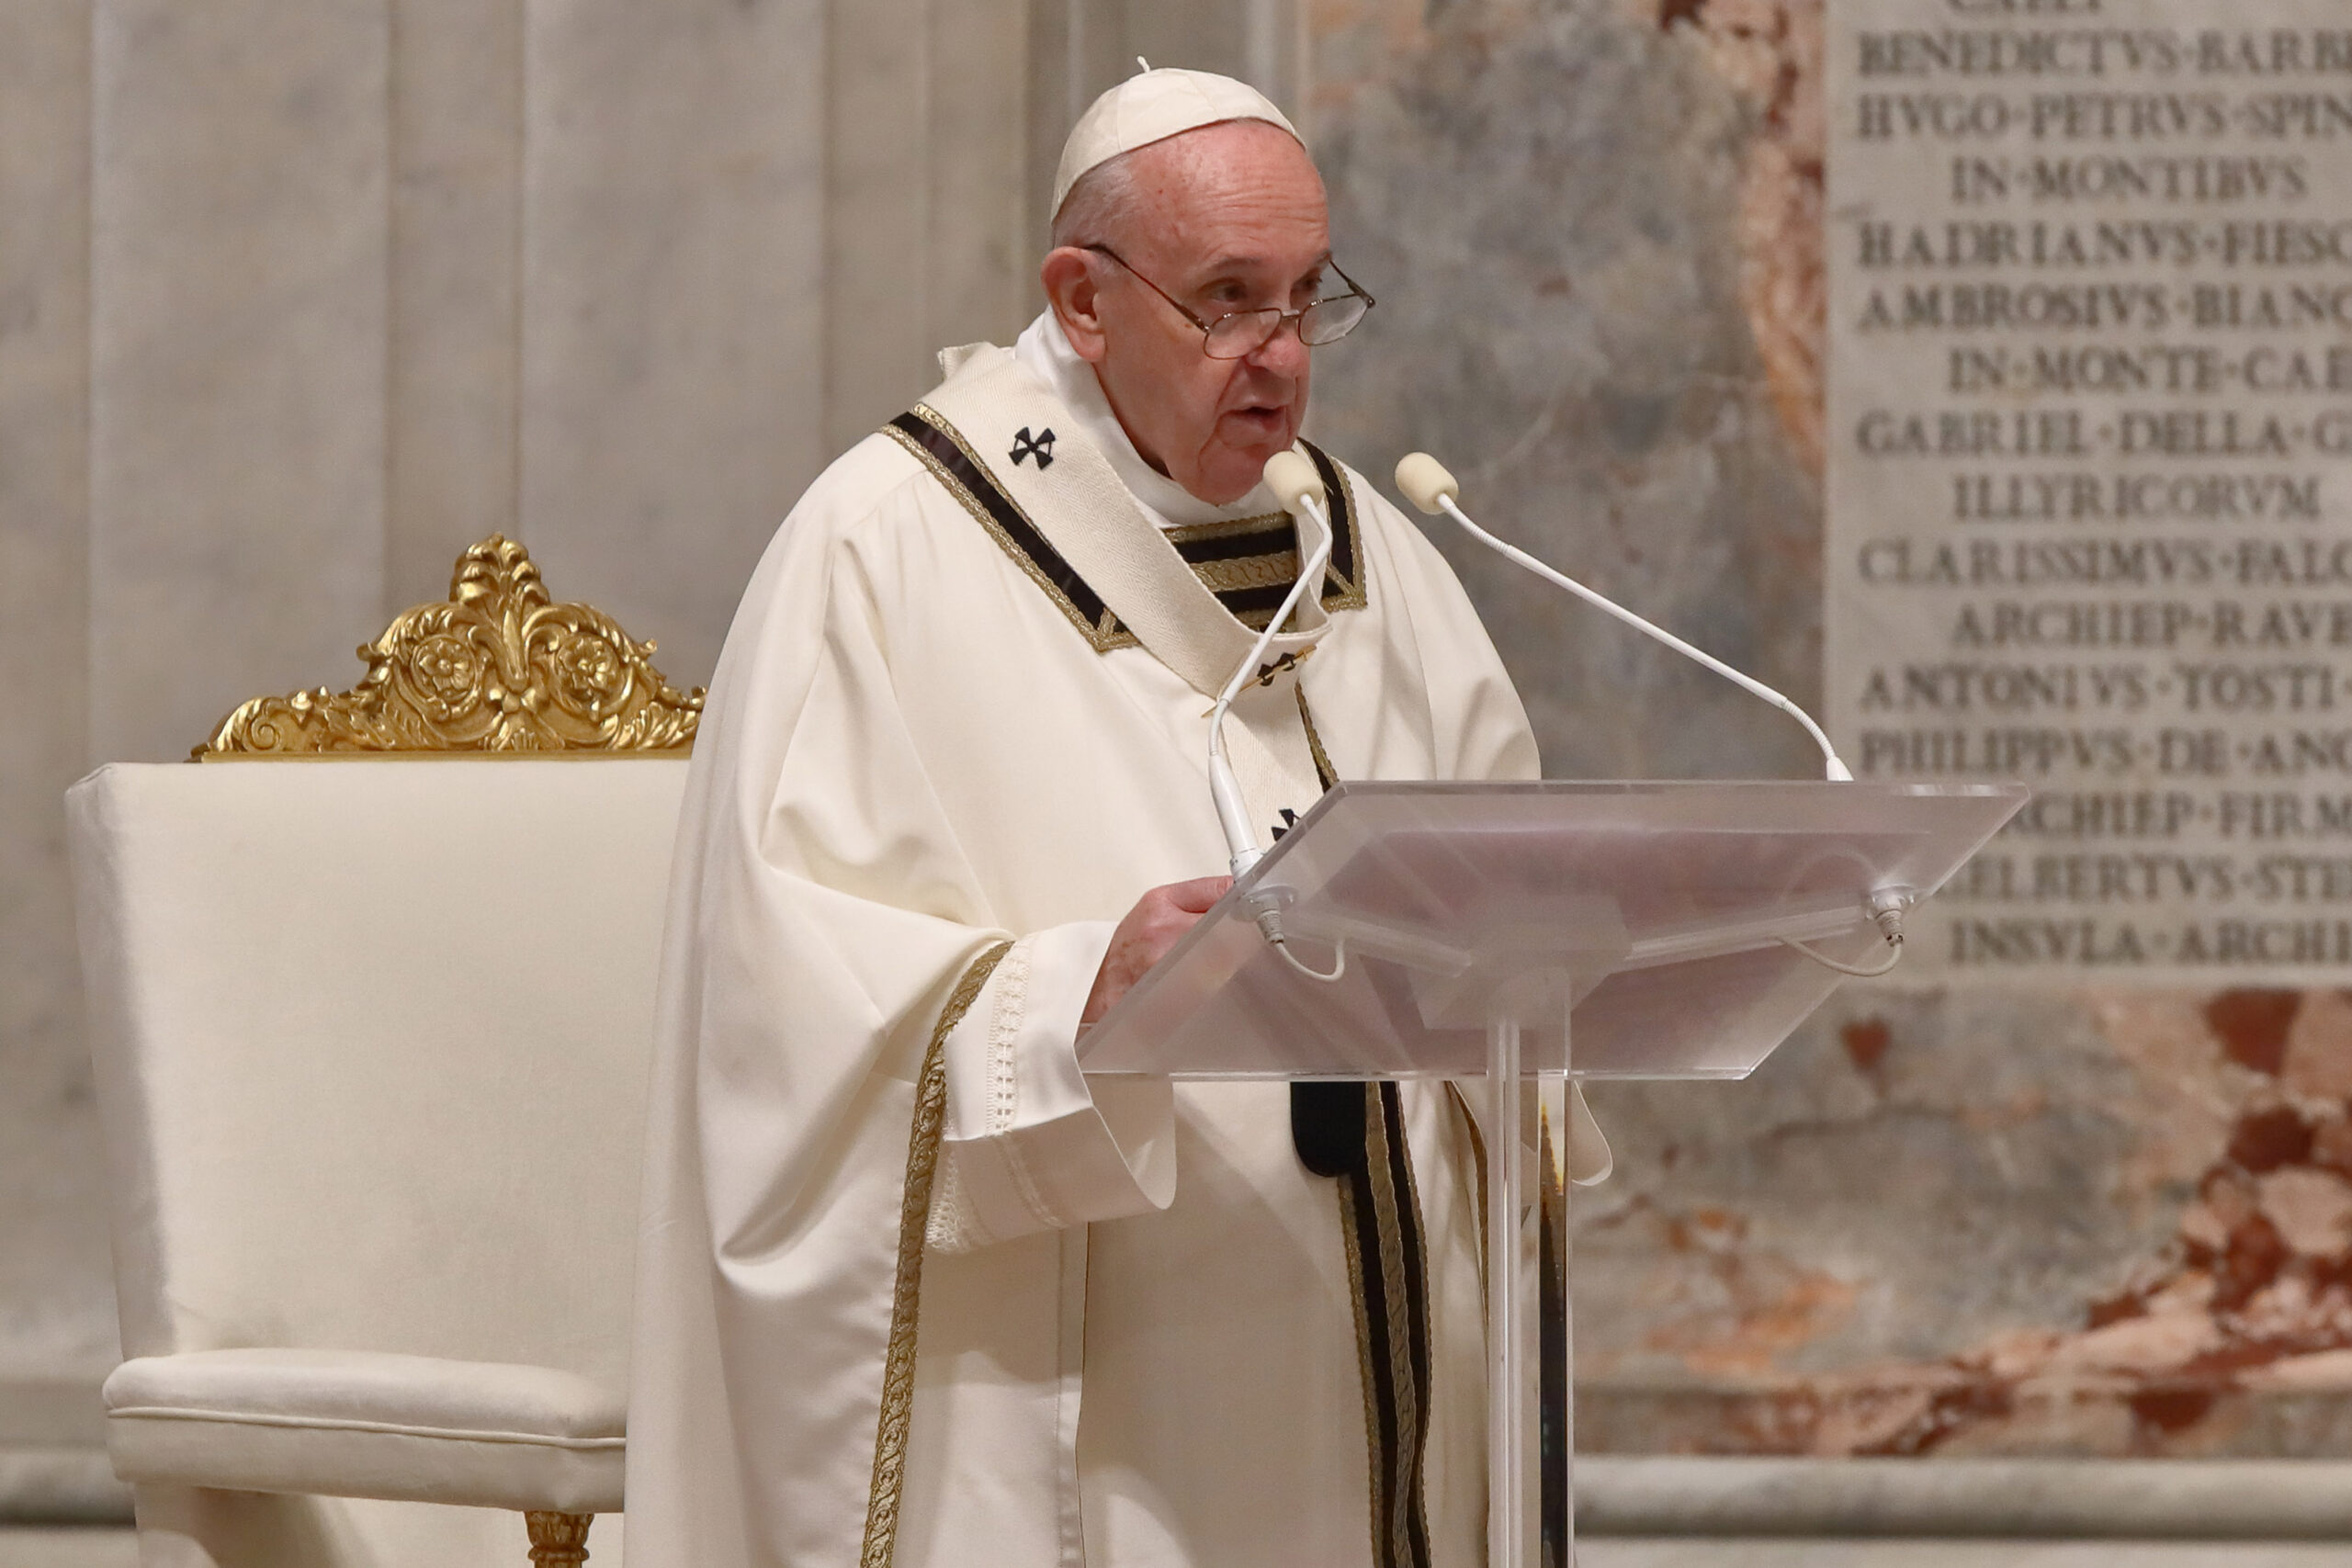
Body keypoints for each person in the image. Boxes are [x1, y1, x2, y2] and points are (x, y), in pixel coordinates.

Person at [628, 66, 1609, 1568]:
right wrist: (1072, 997)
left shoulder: (1375, 556)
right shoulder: (886, 551)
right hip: (1101, 1401)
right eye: (1226, 301)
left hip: (1383, 1384)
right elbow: (774, 1009)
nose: (1281, 359)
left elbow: (1508, 890)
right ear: (1082, 301)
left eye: (1307, 298)